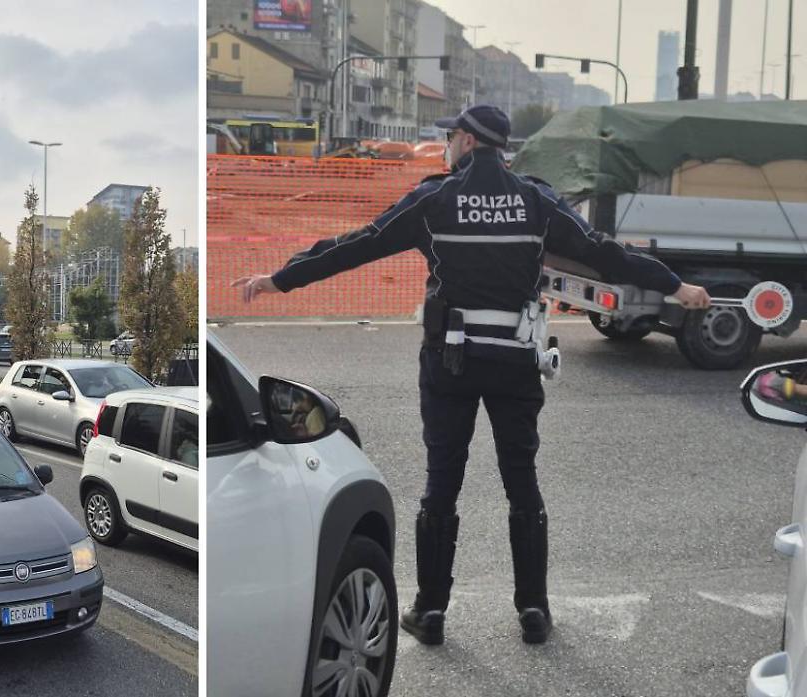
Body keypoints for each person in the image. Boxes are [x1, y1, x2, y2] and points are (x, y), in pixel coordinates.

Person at [232, 104, 711, 646]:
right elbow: (603, 253)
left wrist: (281, 279)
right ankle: (534, 611)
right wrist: (674, 286)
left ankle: (430, 612)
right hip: (515, 363)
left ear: (464, 140)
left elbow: (359, 244)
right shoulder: (536, 200)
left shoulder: (436, 199)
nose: (446, 146)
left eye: (449, 138)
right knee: (521, 482)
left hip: (450, 363)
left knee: (442, 484)